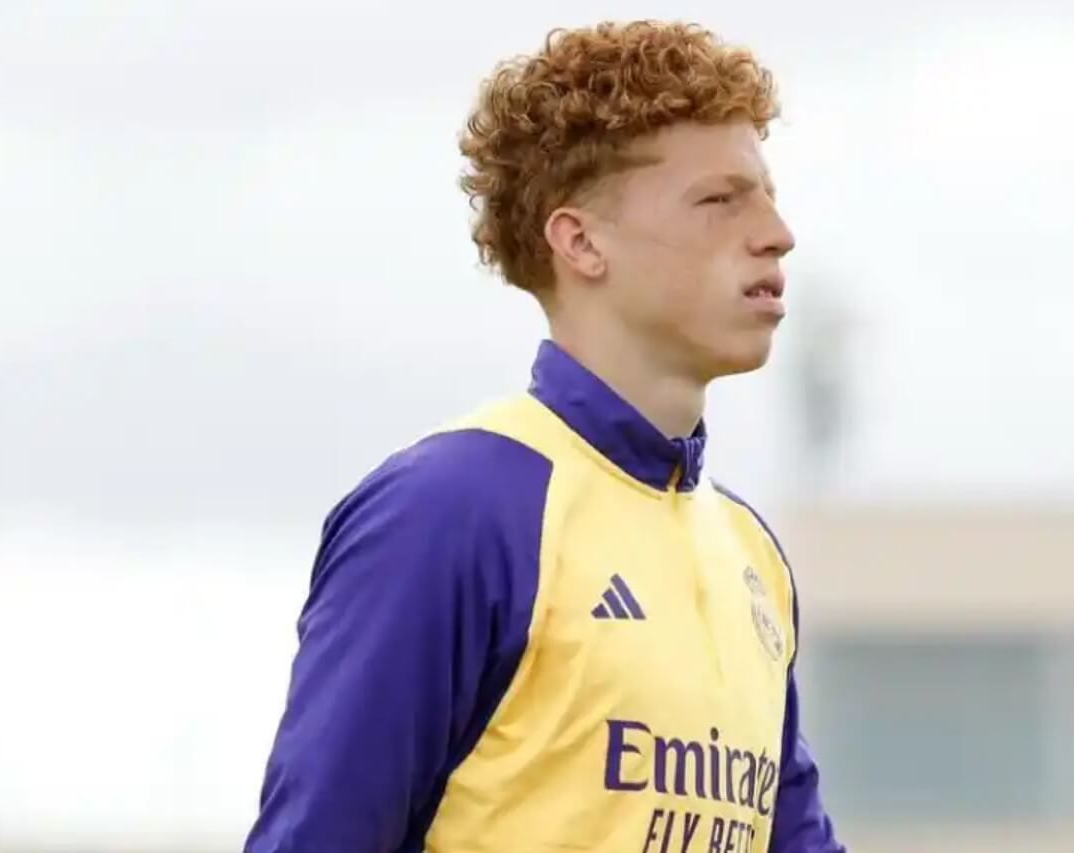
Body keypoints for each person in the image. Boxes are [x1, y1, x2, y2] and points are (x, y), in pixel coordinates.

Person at [245, 19, 844, 853]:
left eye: (769, 194)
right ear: (580, 242)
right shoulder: (450, 510)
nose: (776, 232)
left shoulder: (751, 554)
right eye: (718, 200)